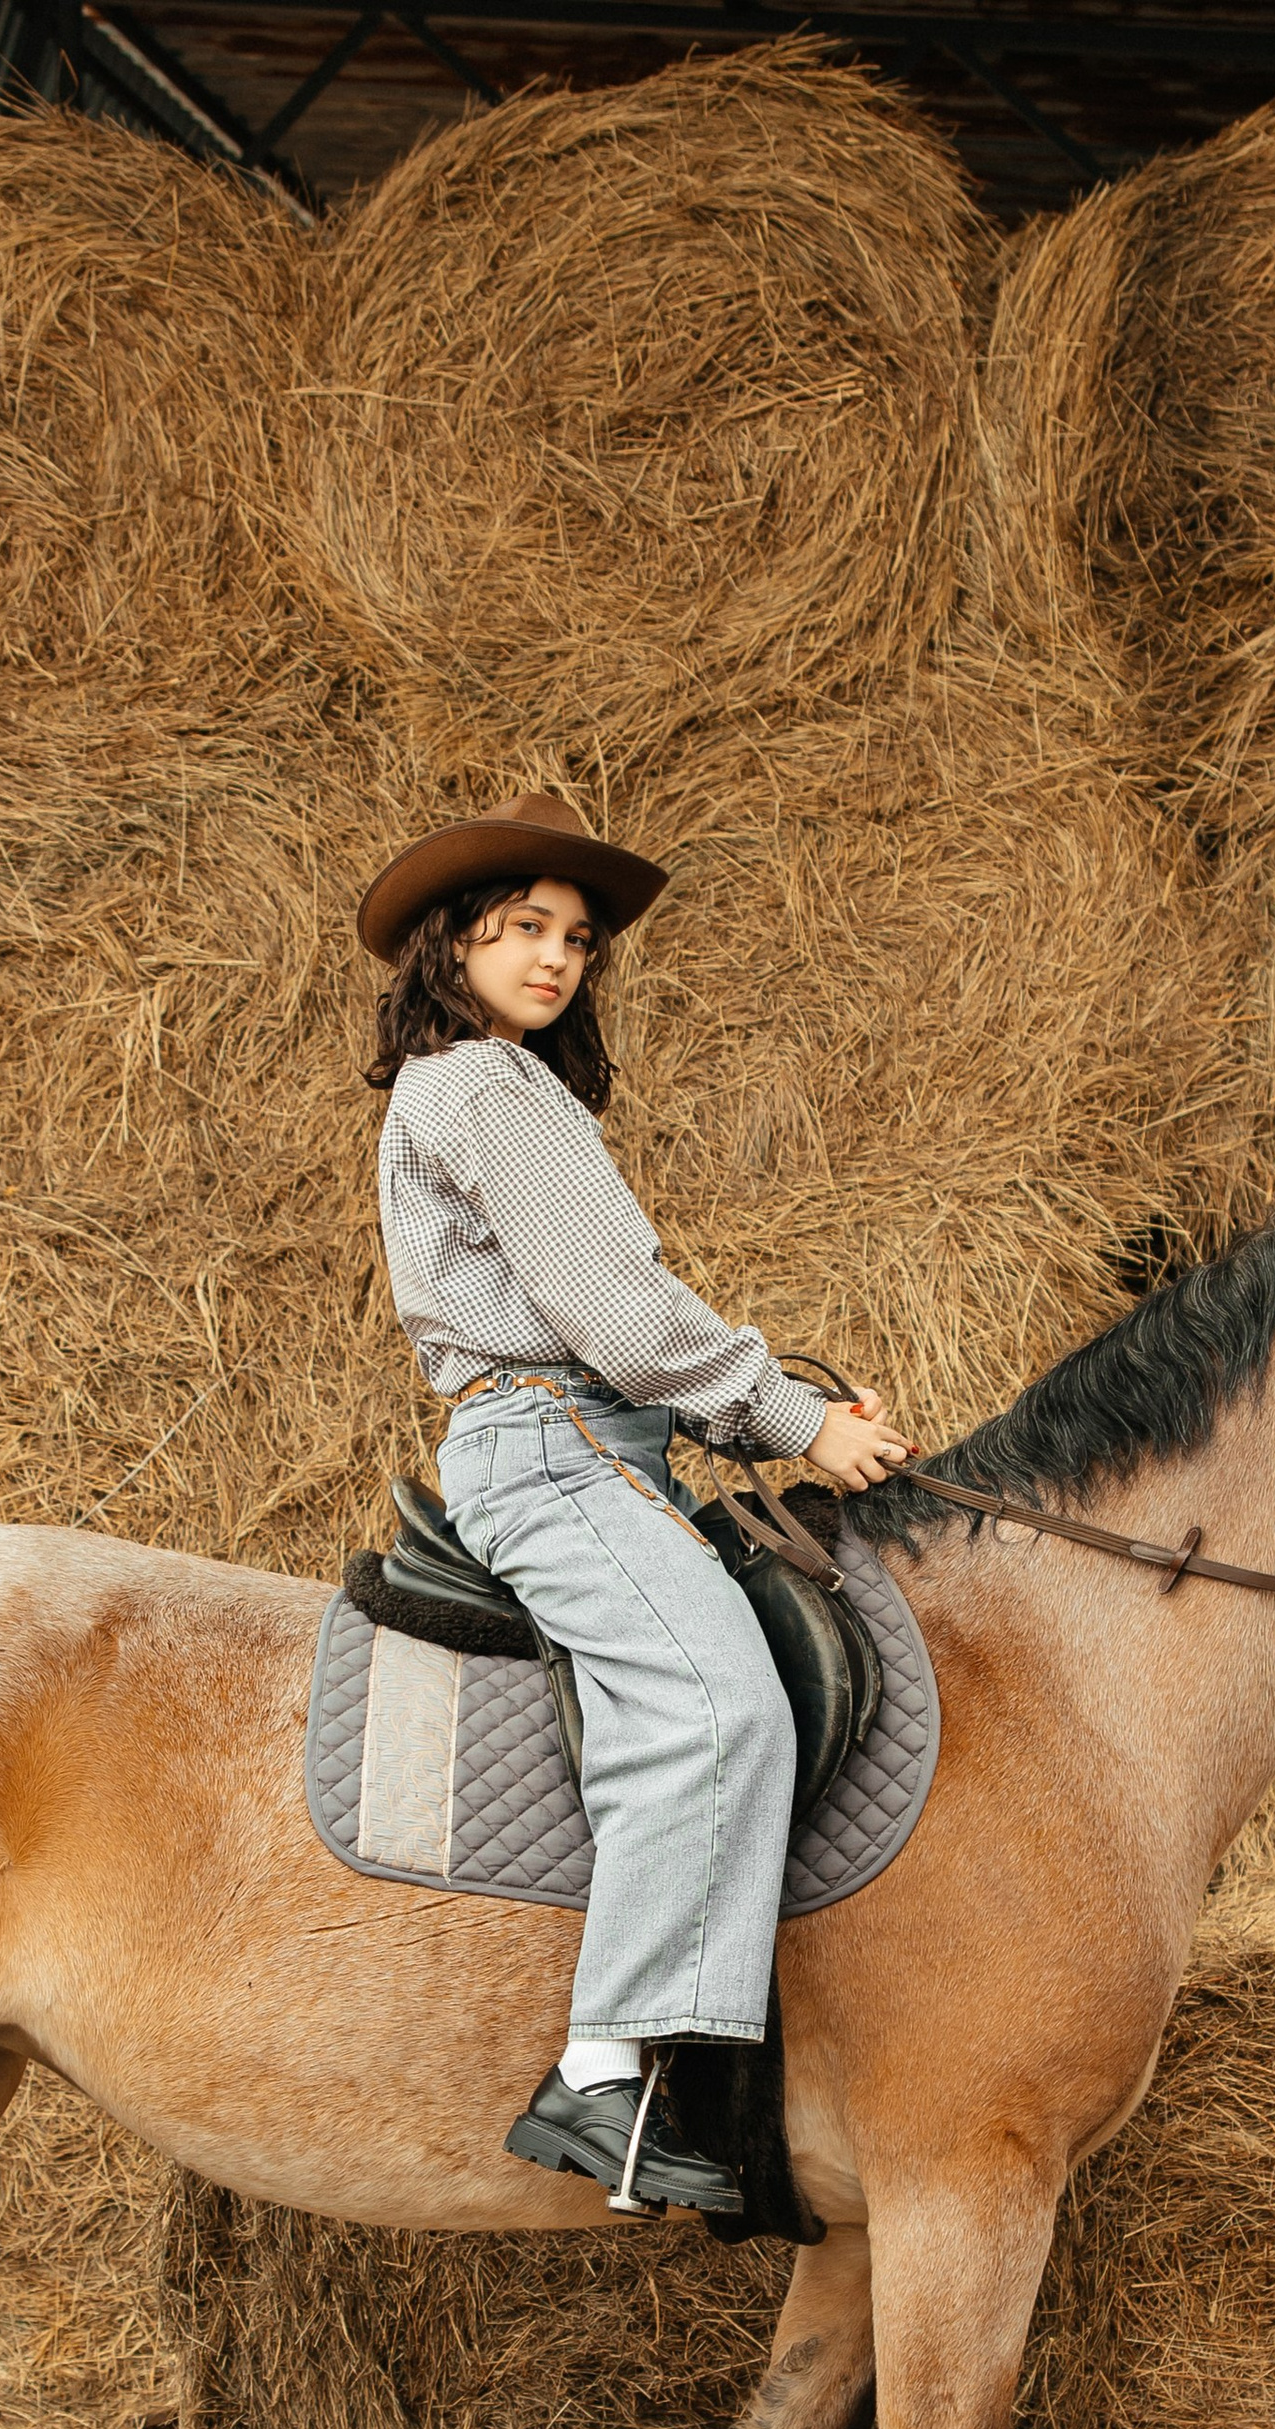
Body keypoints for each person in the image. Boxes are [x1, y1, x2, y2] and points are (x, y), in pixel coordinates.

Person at [359, 789, 910, 2217]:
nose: (556, 958)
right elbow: (614, 1310)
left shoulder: (506, 1088)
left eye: (579, 941)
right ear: (454, 945)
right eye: (524, 928)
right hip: (553, 1445)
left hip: (598, 1440)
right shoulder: (479, 1084)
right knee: (718, 1705)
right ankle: (600, 2079)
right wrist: (794, 1419)